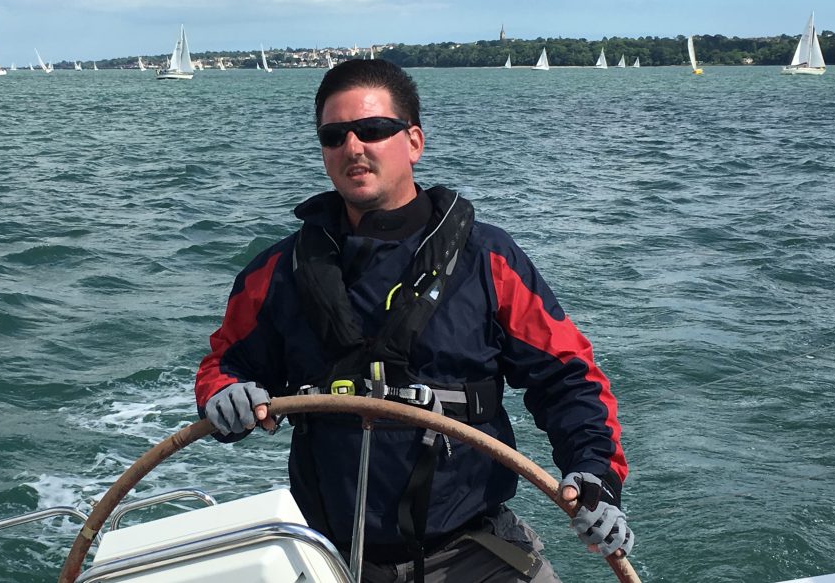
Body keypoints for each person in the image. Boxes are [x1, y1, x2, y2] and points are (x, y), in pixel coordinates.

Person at [194, 59, 632, 582]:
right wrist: (226, 393)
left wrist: (595, 473)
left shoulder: (487, 259)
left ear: (414, 141)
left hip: (474, 551)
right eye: (334, 136)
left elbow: (568, 376)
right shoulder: (277, 273)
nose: (353, 147)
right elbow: (224, 364)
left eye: (373, 130)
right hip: (330, 557)